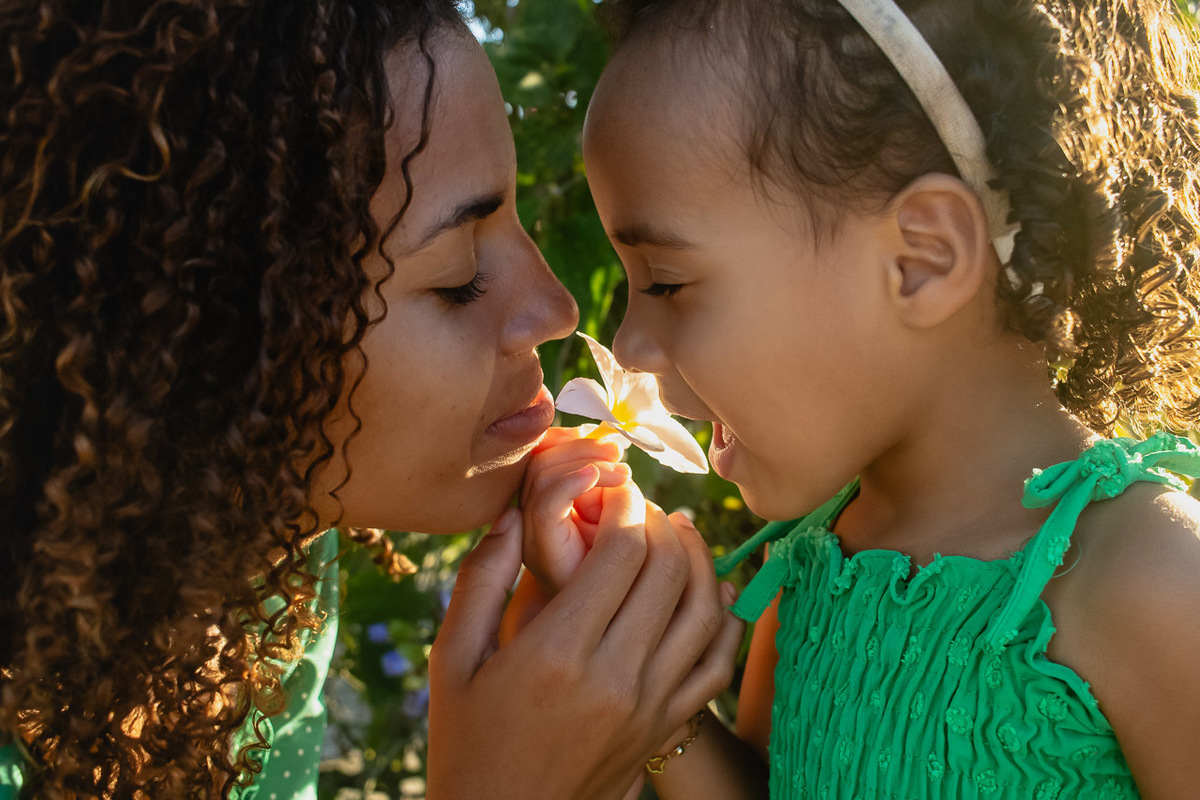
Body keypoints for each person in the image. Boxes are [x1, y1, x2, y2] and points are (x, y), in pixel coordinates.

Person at [0, 1, 743, 798]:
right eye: (459, 277)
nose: (557, 309)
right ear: (207, 348)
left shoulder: (256, 588)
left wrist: (633, 720)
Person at [520, 0, 1200, 796]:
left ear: (922, 259)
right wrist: (656, 695)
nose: (628, 345)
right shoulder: (812, 564)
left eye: (667, 280)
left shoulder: (1153, 581)